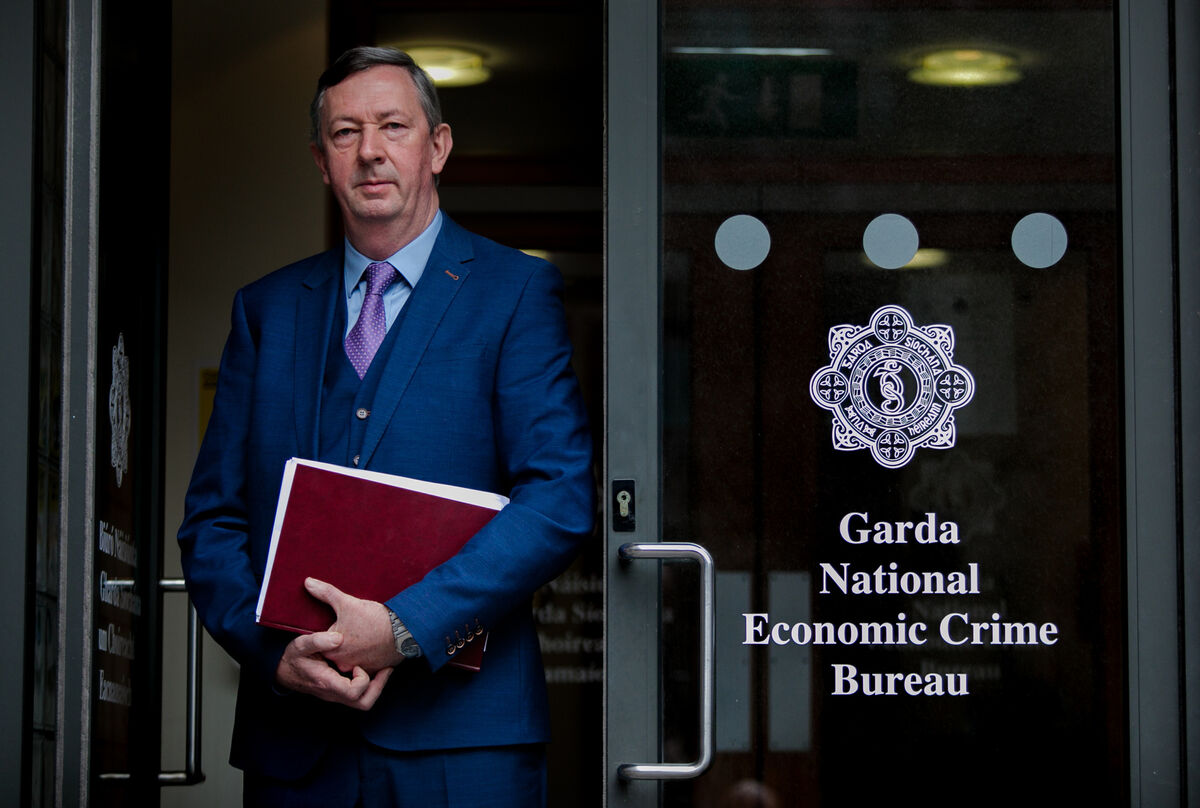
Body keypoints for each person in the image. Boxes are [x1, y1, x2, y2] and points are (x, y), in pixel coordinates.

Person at [178, 46, 594, 807]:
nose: (369, 151)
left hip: (465, 744)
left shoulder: (514, 292)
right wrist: (273, 653)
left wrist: (405, 626)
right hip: (297, 747)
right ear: (319, 159)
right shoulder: (266, 312)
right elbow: (212, 520)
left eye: (393, 126)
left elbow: (558, 499)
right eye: (345, 133)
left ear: (437, 148)